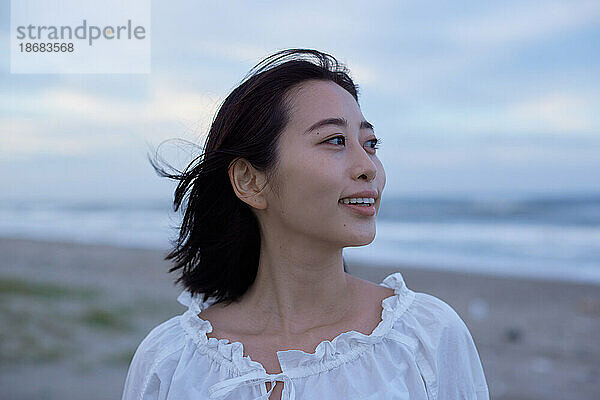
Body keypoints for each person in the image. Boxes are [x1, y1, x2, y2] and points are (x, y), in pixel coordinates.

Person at [121, 48, 489, 400]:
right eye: (335, 140)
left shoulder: (425, 336)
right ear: (250, 181)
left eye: (371, 142)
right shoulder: (170, 360)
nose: (369, 168)